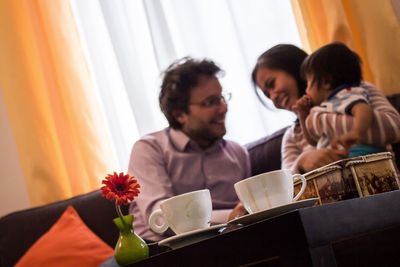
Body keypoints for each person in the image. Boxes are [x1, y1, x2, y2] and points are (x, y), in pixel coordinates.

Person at [128, 57, 251, 241]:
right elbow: (160, 218)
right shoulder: (149, 149)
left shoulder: (238, 154)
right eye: (210, 102)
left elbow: (247, 209)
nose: (223, 108)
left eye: (222, 98)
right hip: (157, 252)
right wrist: (229, 217)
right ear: (180, 114)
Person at [251, 44, 400, 174]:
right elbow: (285, 184)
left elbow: (394, 127)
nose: (273, 97)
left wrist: (318, 118)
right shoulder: (292, 136)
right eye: (267, 95)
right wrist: (302, 162)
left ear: (293, 68)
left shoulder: (354, 89)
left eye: (271, 84)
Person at [294, 42, 389, 157]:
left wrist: (356, 132)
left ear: (326, 82)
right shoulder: (326, 106)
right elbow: (313, 141)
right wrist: (303, 115)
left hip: (361, 156)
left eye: (308, 83)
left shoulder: (345, 94)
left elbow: (363, 109)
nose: (306, 90)